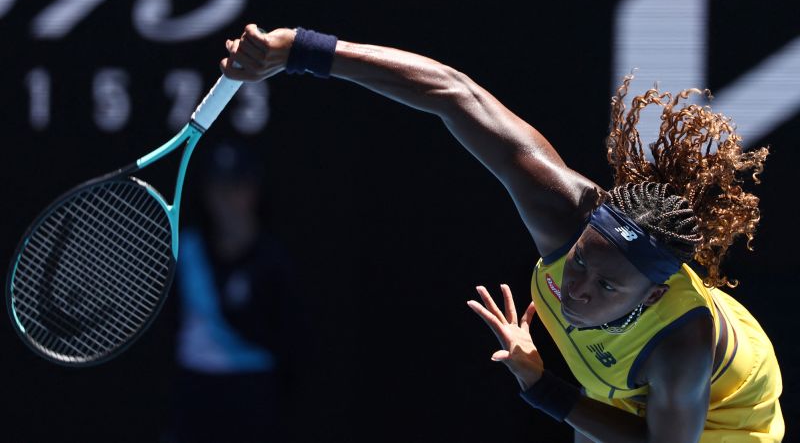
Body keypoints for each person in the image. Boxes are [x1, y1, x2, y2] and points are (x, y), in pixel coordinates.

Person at [219, 25, 784, 442]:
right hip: (628, 387)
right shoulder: (564, 217)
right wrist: (299, 51)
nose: (578, 288)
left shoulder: (680, 350)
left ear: (653, 294)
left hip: (723, 425)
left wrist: (542, 389)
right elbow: (454, 94)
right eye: (583, 261)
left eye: (607, 287)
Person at [164, 139, 296, 443]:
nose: (226, 199)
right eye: (219, 188)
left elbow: (294, 343)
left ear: (253, 192)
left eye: (236, 187)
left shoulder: (273, 261)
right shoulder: (186, 251)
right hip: (194, 395)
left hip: (253, 395)